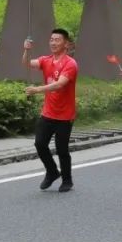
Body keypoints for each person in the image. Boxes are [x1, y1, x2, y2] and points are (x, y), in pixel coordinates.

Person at [23, 29, 78, 192]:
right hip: (48, 112)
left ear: (66, 44)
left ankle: (67, 180)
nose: (53, 43)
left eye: (57, 40)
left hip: (65, 115)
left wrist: (37, 90)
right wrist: (26, 50)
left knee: (62, 150)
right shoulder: (46, 60)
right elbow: (26, 63)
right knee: (40, 144)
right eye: (51, 39)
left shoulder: (70, 64)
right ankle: (52, 172)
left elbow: (60, 84)